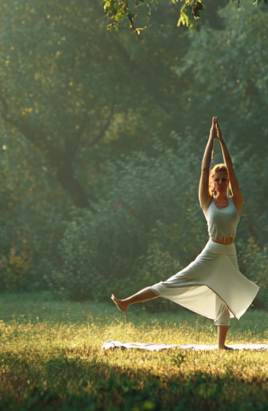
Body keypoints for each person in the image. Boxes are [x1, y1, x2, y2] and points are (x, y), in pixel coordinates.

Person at [111, 117, 259, 349]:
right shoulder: (206, 202)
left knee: (224, 298)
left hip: (229, 254)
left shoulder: (236, 201)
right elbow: (203, 168)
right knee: (172, 283)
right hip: (211, 253)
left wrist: (223, 142)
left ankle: (221, 346)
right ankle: (127, 302)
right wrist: (211, 139)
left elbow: (230, 164)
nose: (220, 182)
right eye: (217, 179)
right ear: (212, 183)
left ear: (228, 182)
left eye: (224, 179)